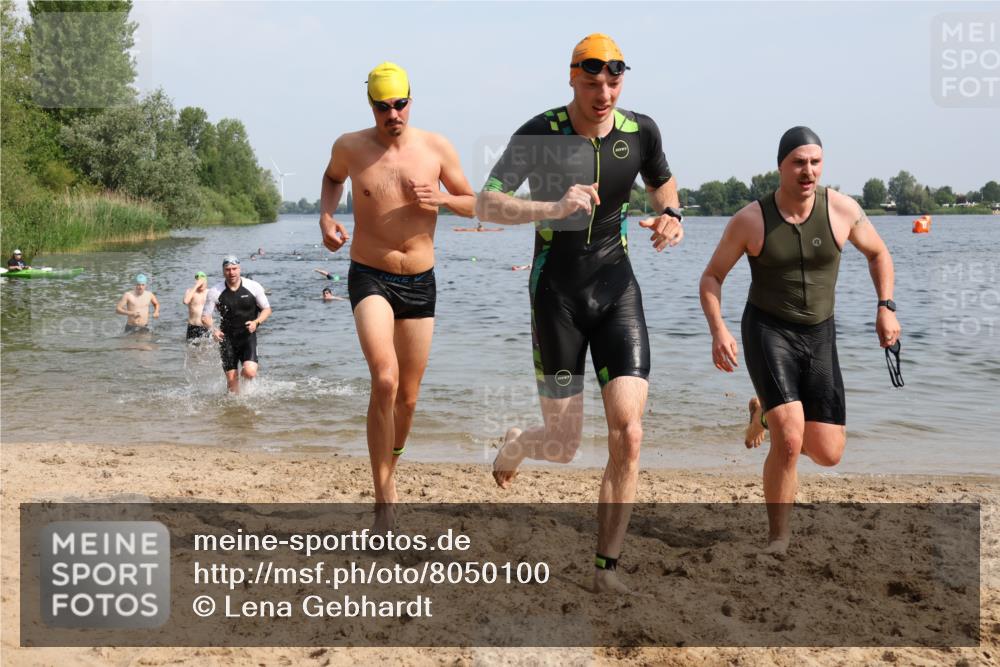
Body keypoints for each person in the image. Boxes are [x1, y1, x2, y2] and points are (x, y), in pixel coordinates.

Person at [475, 34, 683, 593]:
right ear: (572, 78)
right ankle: (521, 442)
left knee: (629, 434)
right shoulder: (540, 132)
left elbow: (664, 185)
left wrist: (673, 216)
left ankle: (604, 569)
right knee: (563, 445)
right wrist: (554, 208)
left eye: (613, 82)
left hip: (617, 289)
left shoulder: (641, 132)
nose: (604, 93)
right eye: (592, 82)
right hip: (556, 298)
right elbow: (486, 200)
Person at [698, 126, 901, 554]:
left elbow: (879, 253)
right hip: (769, 330)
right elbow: (712, 277)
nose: (807, 171)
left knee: (828, 453)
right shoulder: (751, 219)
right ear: (781, 167)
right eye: (798, 162)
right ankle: (778, 538)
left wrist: (886, 305)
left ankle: (764, 414)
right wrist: (719, 330)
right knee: (790, 441)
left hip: (820, 333)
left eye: (815, 162)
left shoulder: (843, 210)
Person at [319, 62, 476, 527]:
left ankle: (392, 459)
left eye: (400, 104)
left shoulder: (436, 148)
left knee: (408, 397)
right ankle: (384, 500)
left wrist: (443, 200)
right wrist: (327, 219)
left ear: (411, 99)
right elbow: (332, 180)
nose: (393, 114)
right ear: (371, 105)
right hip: (370, 275)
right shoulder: (349, 147)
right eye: (383, 106)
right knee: (384, 378)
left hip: (420, 281)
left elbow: (473, 202)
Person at [201, 256, 272, 394]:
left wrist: (256, 322)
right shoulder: (215, 291)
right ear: (223, 271)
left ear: (240, 269)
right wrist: (214, 330)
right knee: (232, 382)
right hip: (226, 339)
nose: (231, 272)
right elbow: (205, 317)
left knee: (250, 372)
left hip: (247, 337)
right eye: (228, 270)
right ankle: (234, 409)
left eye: (234, 269)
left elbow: (267, 309)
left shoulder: (253, 286)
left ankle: (244, 391)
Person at [183, 272, 210, 342]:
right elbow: (186, 301)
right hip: (193, 327)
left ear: (206, 282)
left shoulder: (209, 292)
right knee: (191, 351)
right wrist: (196, 286)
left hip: (206, 327)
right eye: (199, 282)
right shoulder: (190, 291)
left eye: (202, 283)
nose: (200, 285)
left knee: (207, 350)